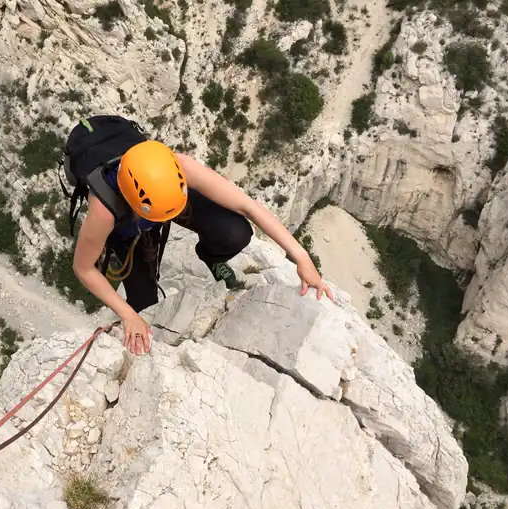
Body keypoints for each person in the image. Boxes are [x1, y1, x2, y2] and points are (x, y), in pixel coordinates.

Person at [66, 117, 334, 356]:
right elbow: (83, 268)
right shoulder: (104, 212)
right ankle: (133, 274)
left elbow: (247, 206)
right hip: (128, 228)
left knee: (235, 232)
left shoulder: (177, 165)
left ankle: (210, 255)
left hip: (160, 198)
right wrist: (128, 316)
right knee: (144, 306)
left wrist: (300, 255)